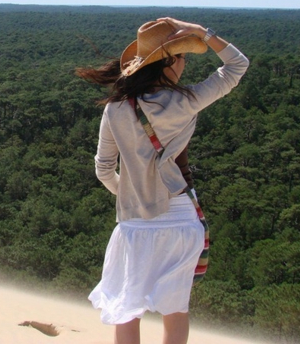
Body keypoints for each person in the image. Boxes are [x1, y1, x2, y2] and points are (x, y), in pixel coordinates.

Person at [76, 17, 249, 344]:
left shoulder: (115, 109)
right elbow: (237, 65)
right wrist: (201, 32)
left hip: (135, 225)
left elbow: (103, 169)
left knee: (127, 309)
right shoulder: (185, 102)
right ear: (167, 63)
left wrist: (132, 195)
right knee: (176, 310)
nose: (184, 64)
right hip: (181, 220)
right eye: (182, 57)